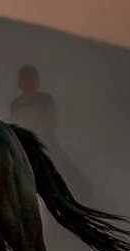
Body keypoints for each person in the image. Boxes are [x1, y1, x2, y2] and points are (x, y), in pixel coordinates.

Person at [10, 65, 92, 199]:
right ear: (20, 83)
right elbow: (14, 122)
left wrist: (37, 133)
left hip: (45, 139)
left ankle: (81, 189)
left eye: (32, 79)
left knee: (61, 160)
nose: (29, 83)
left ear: (37, 82)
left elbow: (51, 122)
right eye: (25, 79)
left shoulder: (44, 99)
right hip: (23, 141)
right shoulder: (16, 104)